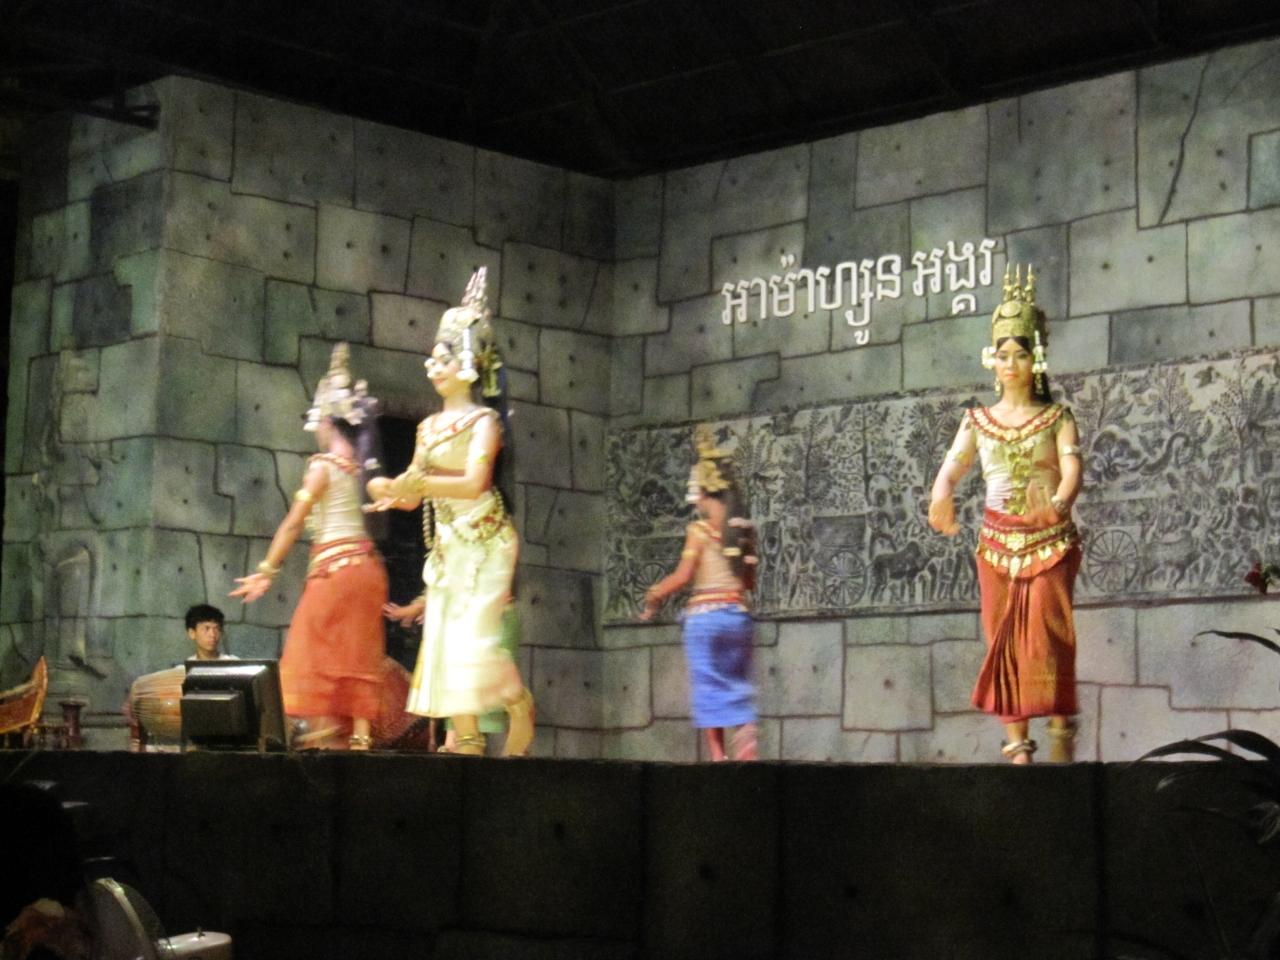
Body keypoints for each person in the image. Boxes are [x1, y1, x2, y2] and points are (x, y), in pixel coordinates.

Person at [367, 267, 534, 757]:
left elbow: (474, 483)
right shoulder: (427, 428)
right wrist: (386, 489)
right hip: (447, 546)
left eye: (443, 359)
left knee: (475, 642)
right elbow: (412, 494)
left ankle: (518, 705)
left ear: (468, 365)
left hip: (485, 542)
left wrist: (417, 484)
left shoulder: (485, 423)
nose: (432, 367)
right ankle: (468, 738)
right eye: (432, 359)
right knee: (444, 642)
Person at [927, 265, 1083, 764]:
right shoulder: (977, 420)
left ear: (1036, 359)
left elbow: (1072, 472)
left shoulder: (1057, 417)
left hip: (1050, 540)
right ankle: (1017, 747)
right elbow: (952, 469)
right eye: (1002, 355)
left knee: (1048, 638)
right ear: (990, 360)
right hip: (996, 544)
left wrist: (1056, 507)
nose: (1010, 364)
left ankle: (1059, 728)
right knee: (1003, 642)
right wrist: (941, 493)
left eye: (1019, 354)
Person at [230, 343, 388, 751]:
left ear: (327, 422)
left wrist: (266, 570)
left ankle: (321, 746)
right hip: (368, 571)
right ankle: (359, 738)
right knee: (355, 657)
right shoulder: (363, 470)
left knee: (312, 657)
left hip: (335, 572)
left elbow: (294, 522)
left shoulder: (323, 467)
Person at [641, 427, 760, 761]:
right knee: (737, 685)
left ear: (706, 491)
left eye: (695, 488)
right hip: (738, 619)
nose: (692, 496)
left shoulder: (699, 530)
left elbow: (683, 576)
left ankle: (718, 758)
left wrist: (654, 595)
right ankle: (746, 740)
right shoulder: (742, 532)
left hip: (705, 621)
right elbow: (748, 583)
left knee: (709, 689)